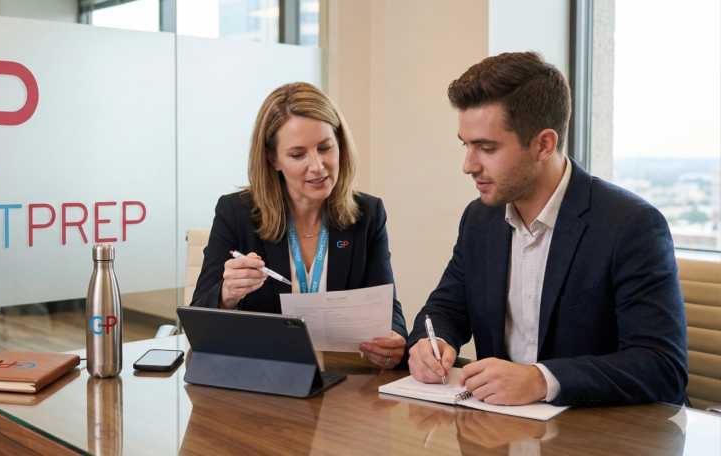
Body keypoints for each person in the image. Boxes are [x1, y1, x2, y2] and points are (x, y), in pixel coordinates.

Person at [405, 52, 688, 407]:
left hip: (603, 433)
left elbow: (662, 366)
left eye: (487, 148)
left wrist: (541, 380)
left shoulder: (630, 225)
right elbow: (444, 309)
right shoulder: (480, 219)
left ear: (544, 144)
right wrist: (429, 345)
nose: (468, 165)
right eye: (466, 144)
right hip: (501, 429)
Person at [189, 82, 408, 368]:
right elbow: (198, 320)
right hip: (261, 379)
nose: (317, 166)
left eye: (325, 148)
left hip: (343, 383)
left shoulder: (368, 213)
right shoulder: (236, 212)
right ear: (273, 158)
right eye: (297, 154)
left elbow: (387, 307)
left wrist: (393, 340)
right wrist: (227, 294)